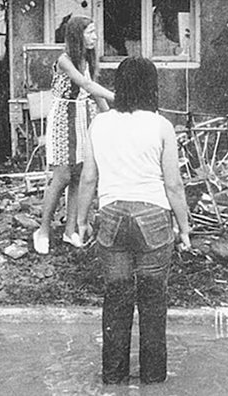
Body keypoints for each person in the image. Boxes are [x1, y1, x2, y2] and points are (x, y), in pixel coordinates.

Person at [75, 56, 192, 384]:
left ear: (120, 86)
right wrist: (184, 228)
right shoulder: (161, 125)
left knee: (117, 298)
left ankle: (113, 380)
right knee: (154, 302)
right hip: (153, 218)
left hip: (111, 218)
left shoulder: (99, 124)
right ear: (151, 87)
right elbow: (173, 184)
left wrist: (82, 221)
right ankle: (153, 381)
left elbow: (88, 179)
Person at [32, 14, 115, 254]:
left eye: (95, 31)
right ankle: (43, 230)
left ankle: (70, 230)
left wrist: (109, 115)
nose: (95, 37)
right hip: (62, 117)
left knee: (79, 174)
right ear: (77, 35)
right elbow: (87, 86)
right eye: (90, 32)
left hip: (83, 116)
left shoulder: (86, 59)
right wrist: (118, 97)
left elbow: (93, 91)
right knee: (62, 176)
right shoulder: (65, 60)